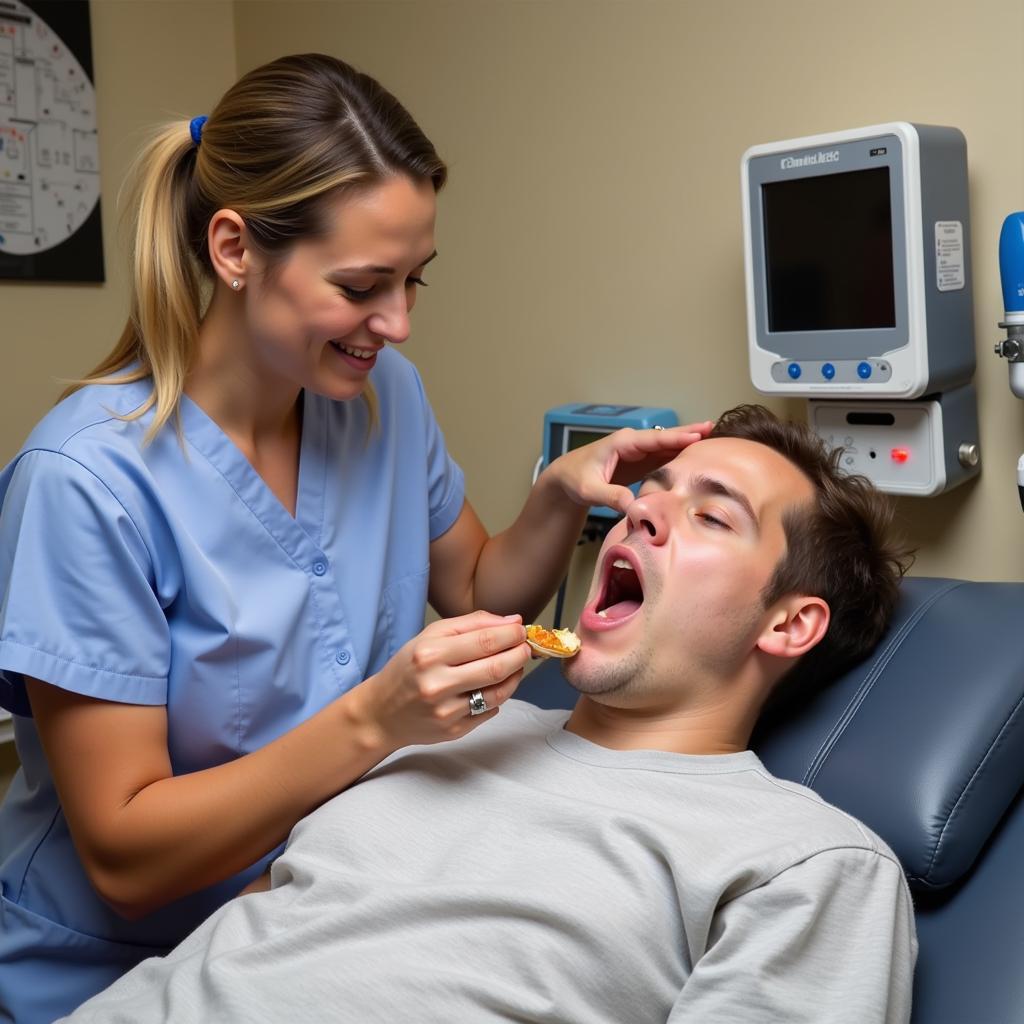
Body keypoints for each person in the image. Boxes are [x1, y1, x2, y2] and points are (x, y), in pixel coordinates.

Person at [0, 53, 711, 1022]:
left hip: (314, 922)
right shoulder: (86, 482)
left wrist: (557, 497)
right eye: (364, 284)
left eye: (415, 280)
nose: (400, 323)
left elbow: (475, 587)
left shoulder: (380, 399)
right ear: (235, 249)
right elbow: (127, 856)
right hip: (118, 967)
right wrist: (376, 719)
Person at [59, 404, 917, 1024]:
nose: (639, 512)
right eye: (648, 492)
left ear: (790, 623)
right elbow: (239, 940)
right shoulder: (440, 733)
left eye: (711, 515)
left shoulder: (806, 864)